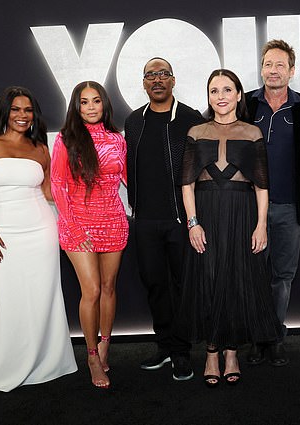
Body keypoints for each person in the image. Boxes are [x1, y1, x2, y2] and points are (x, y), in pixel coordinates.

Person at [0, 86, 77, 392]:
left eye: (27, 110)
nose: (22, 115)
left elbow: (47, 192)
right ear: (5, 112)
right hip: (2, 232)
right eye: (16, 109)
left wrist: (81, 192)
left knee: (45, 295)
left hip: (41, 229)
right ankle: (10, 364)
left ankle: (49, 361)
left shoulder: (41, 148)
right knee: (10, 297)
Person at [179, 69, 282, 388]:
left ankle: (232, 352)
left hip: (241, 211)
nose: (220, 96)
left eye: (227, 89)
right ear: (208, 96)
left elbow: (262, 185)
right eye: (213, 90)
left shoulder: (252, 133)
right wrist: (193, 223)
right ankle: (211, 352)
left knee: (236, 281)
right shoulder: (196, 131)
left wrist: (261, 225)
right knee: (208, 281)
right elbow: (186, 183)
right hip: (206, 212)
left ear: (239, 94)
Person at [124, 57, 204, 381]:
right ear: (144, 83)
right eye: (150, 75)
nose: (157, 80)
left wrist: (194, 218)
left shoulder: (190, 118)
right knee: (155, 285)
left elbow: (202, 170)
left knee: (182, 287)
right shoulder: (133, 121)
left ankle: (182, 351)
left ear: (173, 80)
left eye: (163, 74)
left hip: (179, 221)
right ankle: (165, 345)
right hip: (145, 222)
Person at [50, 81, 128, 389]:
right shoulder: (66, 139)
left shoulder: (116, 139)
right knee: (92, 290)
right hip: (78, 224)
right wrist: (74, 226)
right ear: (76, 106)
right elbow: (57, 185)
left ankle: (106, 344)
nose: (91, 107)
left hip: (113, 221)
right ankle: (92, 355)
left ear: (104, 104)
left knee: (109, 287)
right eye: (85, 102)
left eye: (96, 101)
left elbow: (126, 178)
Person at [245, 39, 300, 366]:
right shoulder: (245, 105)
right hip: (250, 211)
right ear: (261, 68)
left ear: (291, 70)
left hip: (290, 208)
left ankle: (275, 337)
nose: (273, 71)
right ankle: (257, 339)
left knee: (282, 276)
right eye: (268, 64)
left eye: (280, 65)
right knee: (255, 276)